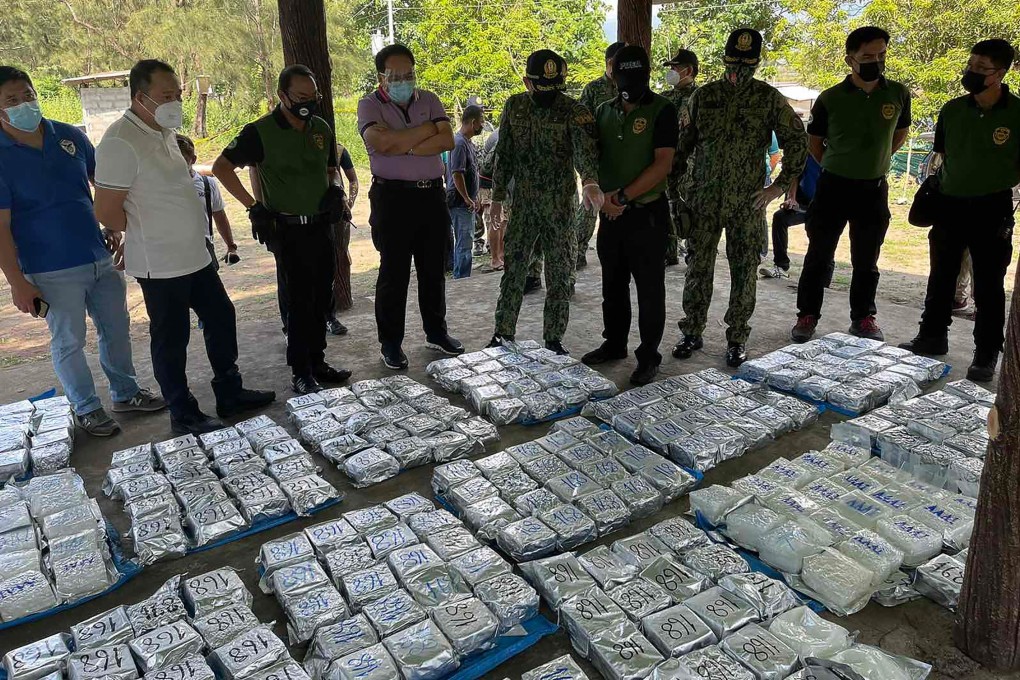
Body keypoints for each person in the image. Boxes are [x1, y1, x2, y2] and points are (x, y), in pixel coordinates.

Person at [93, 59, 274, 434]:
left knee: (221, 319)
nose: (175, 102)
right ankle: (182, 410)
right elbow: (108, 212)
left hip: (196, 256)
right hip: (160, 265)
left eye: (178, 94)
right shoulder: (119, 142)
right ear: (140, 97)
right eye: (166, 96)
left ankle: (230, 392)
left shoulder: (162, 131)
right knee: (171, 339)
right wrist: (150, 228)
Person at [0, 65, 165, 436]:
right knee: (69, 340)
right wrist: (17, 282)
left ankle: (125, 392)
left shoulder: (67, 136)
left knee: (117, 328)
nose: (25, 103)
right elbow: (1, 229)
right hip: (49, 268)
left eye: (28, 94)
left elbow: (105, 184)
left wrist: (112, 228)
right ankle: (87, 407)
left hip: (98, 256)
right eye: (12, 99)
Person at [213, 65, 352, 395]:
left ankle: (318, 361)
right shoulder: (260, 131)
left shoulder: (320, 128)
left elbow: (330, 170)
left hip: (320, 227)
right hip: (287, 230)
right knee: (300, 302)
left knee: (321, 297)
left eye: (313, 97)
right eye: (300, 97)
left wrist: (336, 189)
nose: (308, 103)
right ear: (282, 96)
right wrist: (253, 207)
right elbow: (221, 167)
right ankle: (300, 370)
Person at [672, 29, 807, 368]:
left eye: (746, 64)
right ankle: (692, 331)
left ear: (756, 63)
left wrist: (778, 186)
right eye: (733, 62)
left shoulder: (768, 98)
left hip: (747, 203)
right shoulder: (704, 97)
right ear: (723, 60)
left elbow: (797, 143)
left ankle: (737, 338)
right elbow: (681, 147)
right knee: (697, 268)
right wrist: (676, 195)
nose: (738, 70)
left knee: (744, 271)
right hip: (702, 200)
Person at [899, 39, 1019, 382]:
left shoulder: (1017, 114)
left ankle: (985, 354)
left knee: (988, 284)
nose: (973, 73)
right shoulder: (952, 110)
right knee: (941, 276)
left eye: (982, 69)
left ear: (1001, 73)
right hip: (949, 204)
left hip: (992, 207)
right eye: (972, 65)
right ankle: (931, 337)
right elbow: (944, 155)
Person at [791, 26, 911, 343]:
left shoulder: (897, 94)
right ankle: (807, 315)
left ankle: (863, 318)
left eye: (881, 54)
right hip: (833, 187)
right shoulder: (830, 98)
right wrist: (838, 162)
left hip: (873, 189)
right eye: (868, 56)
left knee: (867, 260)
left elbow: (899, 135)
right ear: (851, 59)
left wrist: (877, 158)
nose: (876, 61)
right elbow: (814, 143)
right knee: (819, 255)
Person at [488, 49, 604, 354]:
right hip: (524, 206)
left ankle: (553, 340)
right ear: (527, 82)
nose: (548, 97)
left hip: (560, 209)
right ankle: (503, 333)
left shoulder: (573, 111)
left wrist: (590, 180)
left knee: (559, 274)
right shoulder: (514, 107)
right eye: (542, 89)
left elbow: (584, 152)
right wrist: (497, 199)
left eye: (555, 89)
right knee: (514, 270)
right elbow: (505, 155)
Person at [357, 44, 464, 370]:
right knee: (394, 273)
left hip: (431, 197)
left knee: (433, 270)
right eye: (396, 76)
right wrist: (427, 131)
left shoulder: (429, 99)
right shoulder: (368, 105)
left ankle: (436, 332)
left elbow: (446, 140)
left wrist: (406, 146)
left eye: (409, 74)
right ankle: (391, 343)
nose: (404, 81)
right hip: (393, 200)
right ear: (381, 76)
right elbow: (382, 143)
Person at [581, 46, 678, 386]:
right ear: (613, 75)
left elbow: (663, 163)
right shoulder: (603, 111)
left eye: (636, 78)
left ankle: (648, 355)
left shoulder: (663, 110)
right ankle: (615, 343)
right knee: (613, 284)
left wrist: (621, 196)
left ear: (646, 76)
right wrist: (601, 198)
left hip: (646, 213)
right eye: (623, 77)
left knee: (650, 289)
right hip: (610, 215)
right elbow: (590, 157)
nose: (629, 84)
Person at [574, 41, 625, 268]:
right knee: (589, 208)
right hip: (596, 159)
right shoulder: (593, 89)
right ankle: (576, 251)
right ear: (610, 63)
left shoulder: (631, 87)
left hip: (623, 160)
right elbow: (581, 127)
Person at [760, 154, 836, 283]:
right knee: (780, 218)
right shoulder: (806, 152)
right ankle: (781, 266)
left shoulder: (834, 154)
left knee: (821, 235)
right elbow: (796, 174)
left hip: (825, 204)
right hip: (804, 203)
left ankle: (824, 277)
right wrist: (792, 198)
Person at [175, 134, 239, 270]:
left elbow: (219, 215)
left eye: (182, 160)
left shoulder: (207, 184)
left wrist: (230, 246)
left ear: (193, 159)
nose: (176, 165)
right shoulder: (159, 186)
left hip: (204, 247)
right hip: (173, 251)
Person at [660, 48, 699, 266]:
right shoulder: (664, 99)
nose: (672, 71)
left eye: (675, 68)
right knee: (666, 208)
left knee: (690, 210)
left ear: (689, 70)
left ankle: (694, 253)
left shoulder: (700, 98)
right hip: (666, 165)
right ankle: (668, 253)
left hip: (690, 167)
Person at [447, 105, 485, 279]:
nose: (482, 126)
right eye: (481, 122)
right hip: (460, 203)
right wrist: (467, 198)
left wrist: (474, 198)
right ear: (472, 122)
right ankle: (461, 280)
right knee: (464, 244)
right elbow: (457, 174)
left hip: (468, 202)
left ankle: (463, 276)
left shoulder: (468, 142)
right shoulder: (459, 143)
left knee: (466, 243)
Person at [327, 142, 359, 336]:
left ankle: (331, 314)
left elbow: (353, 180)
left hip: (338, 213)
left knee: (339, 257)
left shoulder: (339, 150)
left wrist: (350, 202)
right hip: (313, 213)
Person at [477, 127, 504, 270]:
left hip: (496, 183)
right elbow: (495, 166)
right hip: (488, 184)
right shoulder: (500, 136)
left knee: (502, 220)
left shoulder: (501, 133)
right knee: (495, 221)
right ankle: (495, 258)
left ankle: (501, 255)